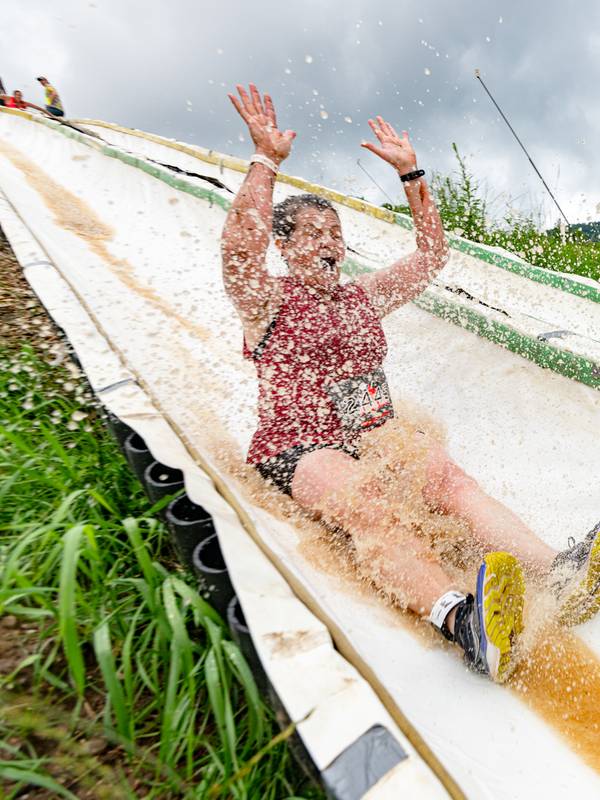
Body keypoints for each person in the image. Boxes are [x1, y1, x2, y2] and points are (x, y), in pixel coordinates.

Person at [221, 83, 600, 683]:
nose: (329, 244)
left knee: (450, 480)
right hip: (301, 447)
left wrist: (413, 176)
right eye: (313, 235)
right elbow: (239, 251)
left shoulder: (361, 297)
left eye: (335, 234)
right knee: (368, 503)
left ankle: (559, 570)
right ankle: (463, 622)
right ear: (286, 246)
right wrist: (265, 161)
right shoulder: (268, 300)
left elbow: (430, 257)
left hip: (372, 431)